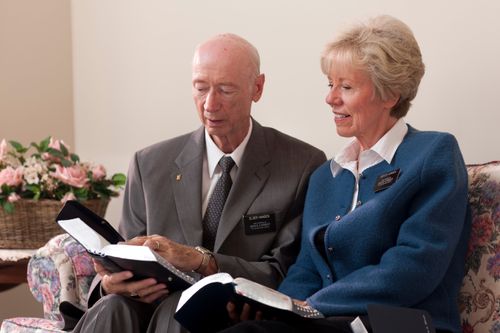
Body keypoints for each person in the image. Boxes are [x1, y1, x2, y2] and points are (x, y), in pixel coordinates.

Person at [219, 15, 470, 333]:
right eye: (330, 84)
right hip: (327, 323)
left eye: (346, 87)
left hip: (399, 324)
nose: (330, 98)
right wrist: (273, 306)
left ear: (389, 94)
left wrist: (313, 306)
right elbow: (307, 267)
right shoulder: (326, 176)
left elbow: (415, 266)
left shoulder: (433, 153)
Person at [71, 33, 326, 333]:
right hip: (142, 306)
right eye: (200, 88)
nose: (210, 104)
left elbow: (285, 272)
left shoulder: (301, 164)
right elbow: (123, 254)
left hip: (232, 317)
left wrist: (202, 262)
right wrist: (109, 284)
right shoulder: (148, 164)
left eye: (226, 90)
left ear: (257, 88)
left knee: (178, 310)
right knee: (112, 307)